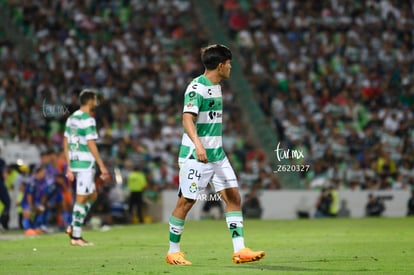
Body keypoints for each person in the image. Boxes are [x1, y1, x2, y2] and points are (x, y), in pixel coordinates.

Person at [166, 44, 265, 265]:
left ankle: (239, 250)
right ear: (220, 65)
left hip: (217, 155)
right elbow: (187, 119)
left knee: (233, 197)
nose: (231, 68)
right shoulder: (196, 88)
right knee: (186, 202)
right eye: (229, 64)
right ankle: (173, 251)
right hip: (196, 156)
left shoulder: (217, 86)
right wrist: (199, 145)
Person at [64, 89, 110, 246]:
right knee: (82, 197)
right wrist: (102, 166)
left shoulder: (72, 118)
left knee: (93, 195)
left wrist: (69, 166)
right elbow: (91, 143)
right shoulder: (88, 119)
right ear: (90, 100)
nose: (96, 102)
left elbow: (66, 142)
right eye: (95, 99)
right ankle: (76, 237)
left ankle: (73, 225)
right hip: (85, 162)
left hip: (75, 161)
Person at [0, 152, 10, 230]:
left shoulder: (2, 161)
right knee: (7, 202)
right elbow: (5, 174)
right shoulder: (2, 161)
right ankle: (2, 222)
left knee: (7, 203)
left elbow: (5, 174)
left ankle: (3, 222)